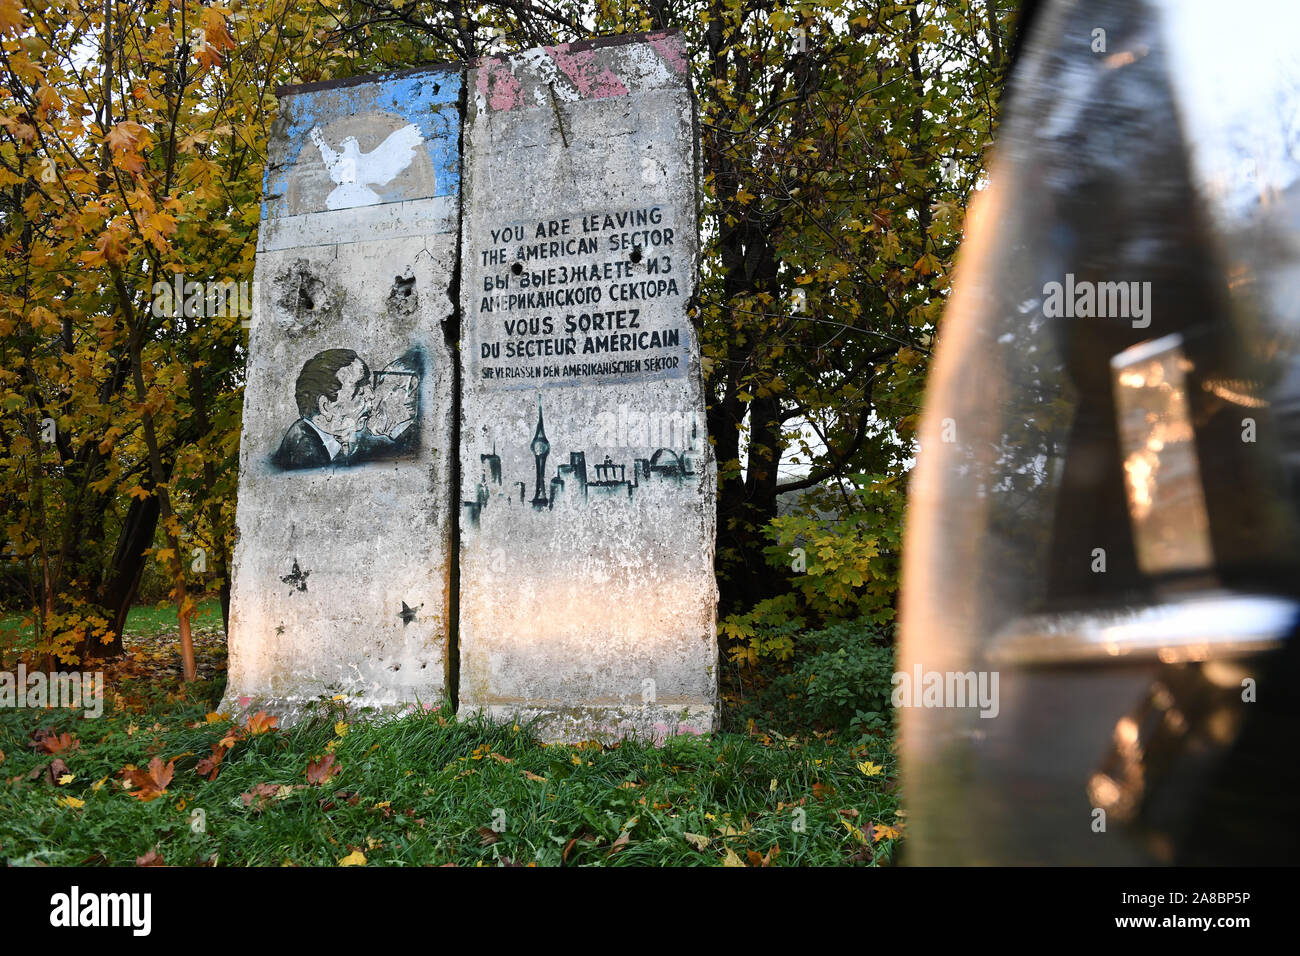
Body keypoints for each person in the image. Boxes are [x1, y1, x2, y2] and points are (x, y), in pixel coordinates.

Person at [272, 349, 373, 469]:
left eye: (369, 388)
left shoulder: (338, 443)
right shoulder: (303, 459)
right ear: (325, 407)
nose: (372, 396)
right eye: (360, 392)